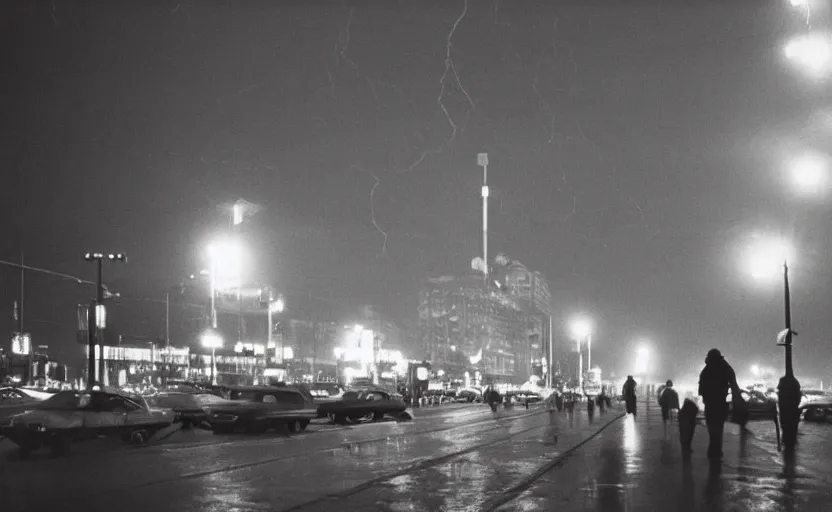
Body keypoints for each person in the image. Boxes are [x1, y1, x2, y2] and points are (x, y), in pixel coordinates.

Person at [698, 348, 741, 460]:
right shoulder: (725, 367)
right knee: (718, 427)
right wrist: (738, 401)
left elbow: (701, 390)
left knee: (712, 428)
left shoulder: (706, 371)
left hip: (710, 403)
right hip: (721, 403)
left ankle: (713, 449)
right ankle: (716, 450)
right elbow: (734, 385)